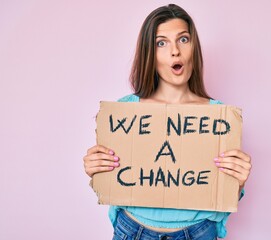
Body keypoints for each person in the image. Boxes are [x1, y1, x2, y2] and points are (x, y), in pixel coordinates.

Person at [83, 4, 251, 240]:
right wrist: (96, 169)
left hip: (198, 232)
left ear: (194, 48)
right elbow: (113, 178)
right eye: (161, 43)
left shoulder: (219, 119)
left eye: (183, 39)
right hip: (132, 231)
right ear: (150, 53)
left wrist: (239, 182)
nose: (175, 51)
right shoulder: (125, 111)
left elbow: (223, 191)